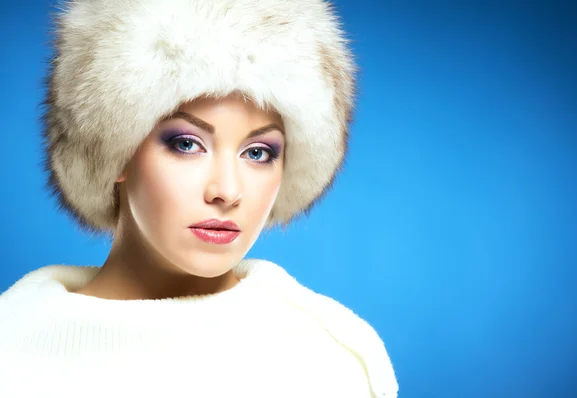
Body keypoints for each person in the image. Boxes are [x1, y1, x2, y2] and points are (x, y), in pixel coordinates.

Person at [0, 1, 398, 397]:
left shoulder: (333, 358)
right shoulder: (12, 345)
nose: (227, 191)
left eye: (258, 153)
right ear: (114, 150)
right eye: (187, 144)